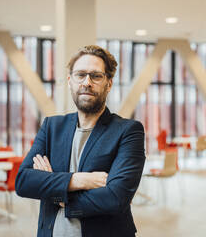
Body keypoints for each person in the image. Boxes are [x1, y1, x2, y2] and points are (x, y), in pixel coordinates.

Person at [15, 45, 145, 237]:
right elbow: (24, 181)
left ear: (109, 83)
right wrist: (78, 180)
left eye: (96, 76)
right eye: (80, 75)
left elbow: (116, 198)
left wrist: (57, 192)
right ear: (70, 81)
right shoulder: (52, 127)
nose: (87, 82)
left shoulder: (128, 131)